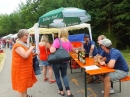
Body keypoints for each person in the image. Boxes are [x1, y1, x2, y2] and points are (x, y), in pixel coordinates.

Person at [11, 29, 37, 97]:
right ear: (21, 36)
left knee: (24, 84)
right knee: (20, 85)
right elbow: (25, 55)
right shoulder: (17, 45)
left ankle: (26, 95)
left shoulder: (23, 44)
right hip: (20, 69)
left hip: (24, 69)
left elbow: (26, 54)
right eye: (26, 35)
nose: (27, 37)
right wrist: (31, 48)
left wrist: (33, 54)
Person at [50, 28, 74, 97]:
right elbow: (72, 50)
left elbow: (52, 51)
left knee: (57, 76)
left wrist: (51, 47)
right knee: (64, 75)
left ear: (60, 33)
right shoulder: (68, 41)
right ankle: (69, 92)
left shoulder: (57, 40)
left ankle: (61, 91)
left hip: (56, 61)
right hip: (65, 61)